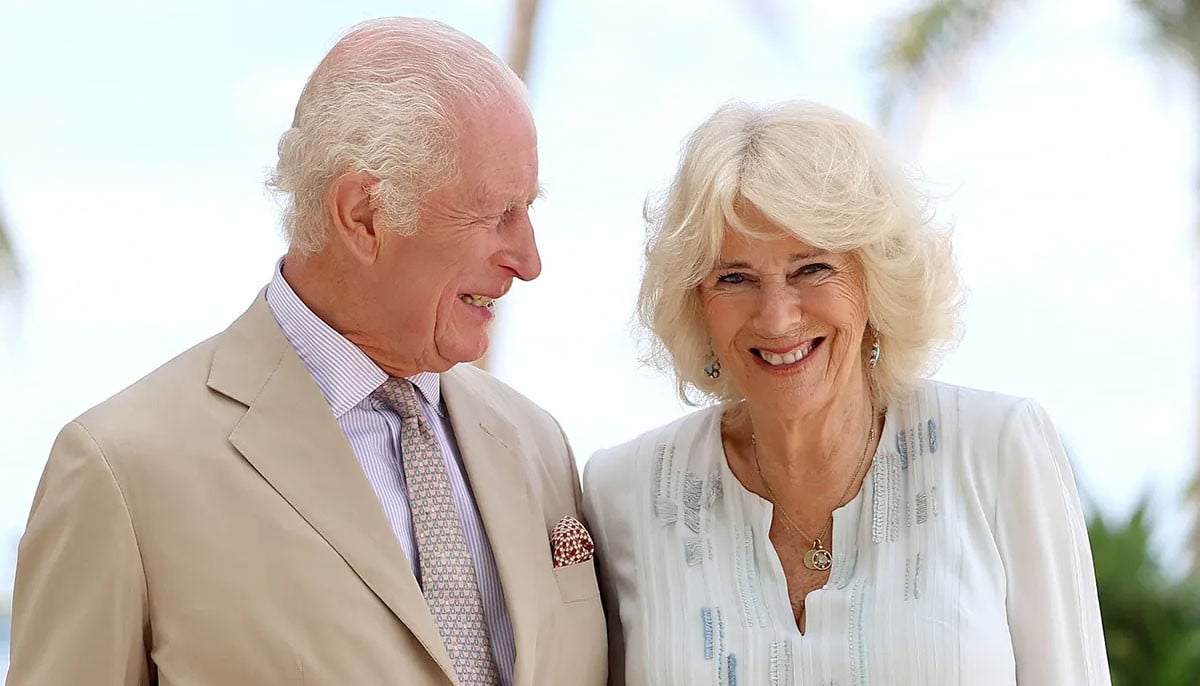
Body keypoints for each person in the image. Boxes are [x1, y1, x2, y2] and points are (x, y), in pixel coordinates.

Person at [8, 17, 606, 686]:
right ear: (363, 215)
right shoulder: (120, 471)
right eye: (497, 214)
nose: (528, 261)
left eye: (529, 210)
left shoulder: (536, 444)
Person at [583, 100, 1110, 685]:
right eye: (734, 277)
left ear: (875, 278)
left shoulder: (994, 451)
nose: (777, 318)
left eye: (811, 269)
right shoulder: (625, 492)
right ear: (696, 301)